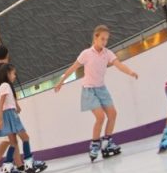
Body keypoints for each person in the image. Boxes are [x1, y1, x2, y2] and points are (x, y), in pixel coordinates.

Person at [54, 24, 140, 161]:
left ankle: (107, 143)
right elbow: (73, 67)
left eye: (106, 40)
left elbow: (118, 64)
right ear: (96, 37)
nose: (105, 42)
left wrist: (130, 72)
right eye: (102, 39)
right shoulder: (86, 54)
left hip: (101, 88)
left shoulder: (108, 53)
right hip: (89, 90)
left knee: (113, 114)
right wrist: (61, 82)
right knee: (100, 117)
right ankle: (95, 144)